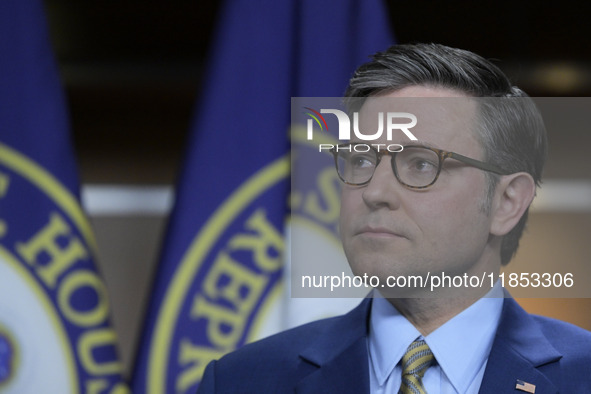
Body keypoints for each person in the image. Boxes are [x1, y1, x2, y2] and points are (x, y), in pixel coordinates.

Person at [197, 43, 591, 393]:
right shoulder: (241, 381)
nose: (374, 192)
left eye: (421, 164)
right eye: (361, 160)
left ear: (507, 201)